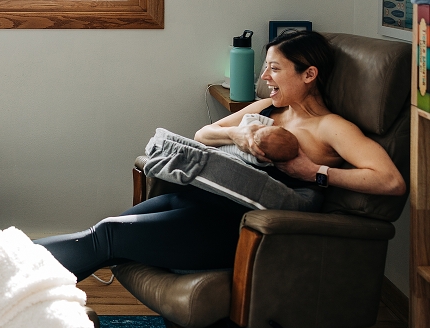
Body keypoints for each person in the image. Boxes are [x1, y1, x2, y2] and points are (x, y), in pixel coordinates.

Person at [33, 30, 405, 283]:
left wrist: (316, 172)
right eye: (265, 68)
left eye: (275, 69)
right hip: (199, 199)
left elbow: (390, 180)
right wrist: (238, 133)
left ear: (309, 74)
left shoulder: (331, 127)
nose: (265, 78)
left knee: (108, 237)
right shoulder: (270, 109)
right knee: (103, 231)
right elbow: (203, 135)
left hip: (237, 227)